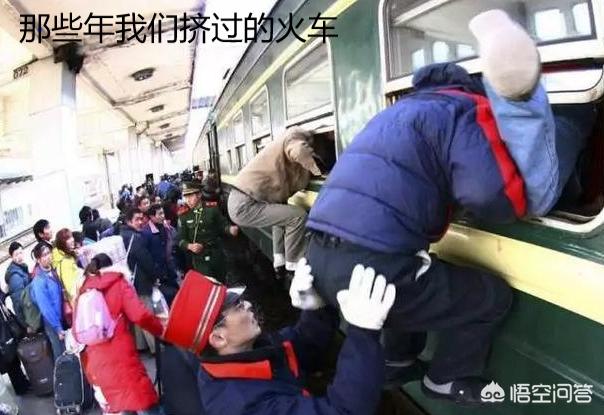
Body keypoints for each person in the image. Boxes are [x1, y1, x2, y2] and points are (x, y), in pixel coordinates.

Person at [302, 10, 593, 404]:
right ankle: (446, 377)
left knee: (411, 278)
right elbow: (488, 195)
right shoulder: (463, 109)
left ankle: (396, 361)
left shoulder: (394, 113)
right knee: (488, 297)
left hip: (318, 258)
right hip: (373, 261)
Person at [163, 261, 395, 415]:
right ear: (219, 338)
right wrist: (363, 333)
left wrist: (317, 310)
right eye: (237, 306)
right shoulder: (244, 406)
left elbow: (302, 347)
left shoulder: (247, 352)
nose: (248, 304)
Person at [227, 127, 322, 277]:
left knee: (282, 216)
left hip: (241, 201)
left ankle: (279, 262)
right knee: (297, 217)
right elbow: (299, 151)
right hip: (245, 203)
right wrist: (317, 170)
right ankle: (294, 266)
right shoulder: (295, 136)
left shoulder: (282, 149)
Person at [79, 254, 165, 415]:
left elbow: (78, 331)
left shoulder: (84, 290)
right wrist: (159, 329)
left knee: (121, 404)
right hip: (121, 355)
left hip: (96, 360)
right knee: (145, 401)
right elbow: (139, 315)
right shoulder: (117, 282)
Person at [119, 207, 162, 353]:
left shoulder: (121, 235)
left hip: (129, 281)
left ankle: (141, 345)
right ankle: (155, 347)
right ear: (128, 221)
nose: (140, 222)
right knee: (146, 314)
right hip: (141, 281)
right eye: (136, 219)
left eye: (141, 218)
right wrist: (155, 276)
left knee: (136, 312)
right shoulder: (135, 238)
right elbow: (146, 260)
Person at [177, 181, 238, 282]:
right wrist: (190, 246)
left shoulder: (211, 209)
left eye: (190, 196)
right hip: (199, 259)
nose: (187, 200)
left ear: (199, 195)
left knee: (221, 281)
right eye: (185, 196)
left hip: (216, 253)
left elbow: (222, 224)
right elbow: (180, 240)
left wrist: (229, 229)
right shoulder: (183, 215)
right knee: (208, 282)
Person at [30, 242, 65, 361]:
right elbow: (46, 308)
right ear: (38, 259)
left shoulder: (52, 270)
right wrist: (58, 328)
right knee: (61, 354)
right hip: (52, 322)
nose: (48, 256)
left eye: (49, 253)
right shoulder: (38, 281)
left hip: (60, 317)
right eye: (44, 255)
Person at [142, 205, 178, 300]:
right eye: (160, 214)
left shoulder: (165, 227)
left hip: (169, 268)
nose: (163, 216)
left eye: (163, 213)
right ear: (152, 217)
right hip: (159, 273)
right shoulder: (146, 233)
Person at [51, 228, 82, 303]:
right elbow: (71, 289)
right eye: (68, 239)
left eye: (71, 237)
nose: (72, 240)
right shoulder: (64, 262)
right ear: (62, 243)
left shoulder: (64, 256)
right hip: (78, 300)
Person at [4, 242, 30, 324]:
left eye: (21, 253)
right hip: (29, 319)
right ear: (11, 256)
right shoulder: (15, 277)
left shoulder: (21, 267)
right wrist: (26, 324)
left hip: (31, 312)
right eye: (16, 254)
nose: (20, 256)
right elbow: (18, 303)